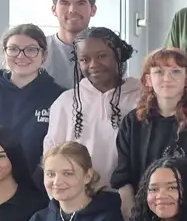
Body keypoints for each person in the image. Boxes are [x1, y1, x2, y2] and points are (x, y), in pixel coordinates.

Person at [43, 26, 140, 188]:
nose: (93, 64)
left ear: (118, 55)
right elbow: (51, 157)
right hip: (79, 200)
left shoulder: (141, 98)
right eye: (84, 59)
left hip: (130, 199)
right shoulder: (65, 103)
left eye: (102, 56)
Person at [0, 24, 65, 184]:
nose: (21, 56)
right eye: (13, 49)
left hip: (40, 192)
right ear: (4, 53)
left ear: (44, 55)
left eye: (31, 49)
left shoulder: (59, 97)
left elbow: (62, 152)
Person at [111, 47, 187, 213]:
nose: (167, 78)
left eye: (175, 71)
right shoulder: (132, 122)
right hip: (143, 212)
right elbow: (123, 178)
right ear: (148, 80)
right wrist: (133, 219)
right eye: (159, 72)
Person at [43, 0, 96, 89]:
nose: (72, 10)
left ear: (93, 10)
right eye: (64, 3)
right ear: (54, 10)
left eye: (80, 3)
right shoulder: (38, 50)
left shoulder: (109, 52)